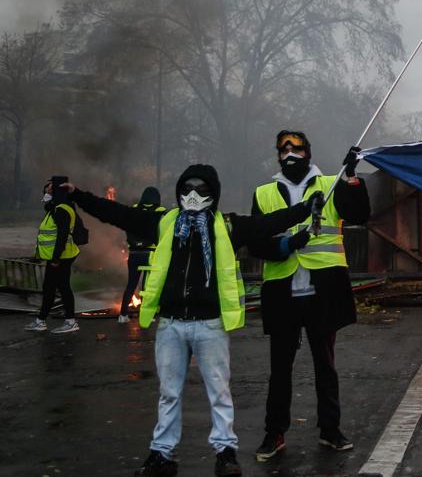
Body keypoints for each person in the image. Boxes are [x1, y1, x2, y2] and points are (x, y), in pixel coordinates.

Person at [63, 164, 321, 477]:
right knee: (169, 394)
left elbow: (267, 223)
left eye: (202, 189)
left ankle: (225, 453)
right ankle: (162, 454)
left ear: (213, 192)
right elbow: (117, 213)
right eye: (188, 188)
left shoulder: (227, 225)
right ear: (179, 190)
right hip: (171, 324)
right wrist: (79, 196)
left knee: (219, 393)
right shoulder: (166, 222)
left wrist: (305, 208)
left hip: (210, 324)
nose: (194, 195)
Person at [251, 130, 369, 462]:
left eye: (296, 147)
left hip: (322, 290)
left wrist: (351, 178)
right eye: (283, 148)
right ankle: (274, 434)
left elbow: (359, 215)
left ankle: (330, 430)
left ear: (307, 151)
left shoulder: (331, 184)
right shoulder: (263, 193)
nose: (289, 152)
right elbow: (256, 242)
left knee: (325, 365)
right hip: (282, 290)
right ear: (277, 155)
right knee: (280, 369)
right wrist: (287, 244)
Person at [24, 177, 82, 334]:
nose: (46, 192)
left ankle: (69, 321)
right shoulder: (58, 207)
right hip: (60, 256)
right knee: (51, 287)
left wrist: (56, 258)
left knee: (60, 287)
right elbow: (49, 213)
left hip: (62, 257)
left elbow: (62, 235)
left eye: (50, 190)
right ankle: (42, 320)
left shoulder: (61, 209)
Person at [120, 186, 165, 324]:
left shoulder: (133, 209)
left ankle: (122, 316)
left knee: (131, 284)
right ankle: (147, 315)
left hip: (133, 254)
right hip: (150, 253)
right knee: (147, 286)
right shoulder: (160, 211)